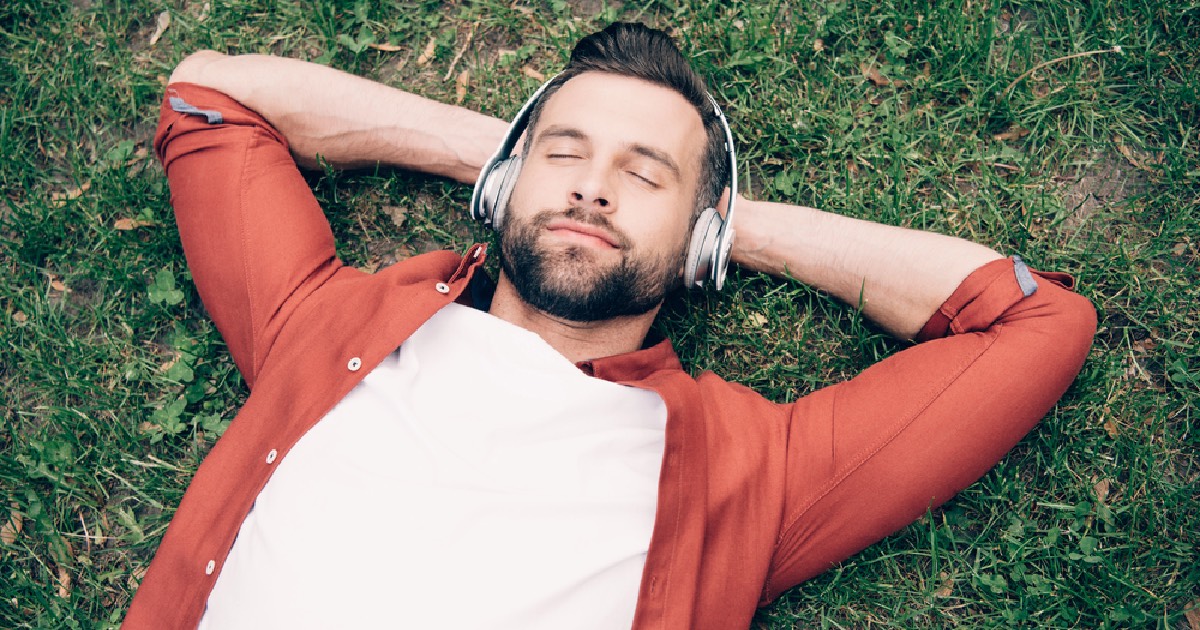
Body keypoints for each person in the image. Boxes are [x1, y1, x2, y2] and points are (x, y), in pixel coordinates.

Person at [124, 22, 1095, 630]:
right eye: (566, 154)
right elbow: (209, 97)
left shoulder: (747, 473)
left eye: (645, 174)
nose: (592, 182)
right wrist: (502, 159)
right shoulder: (327, 323)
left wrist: (724, 230)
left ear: (700, 236)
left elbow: (1035, 322)